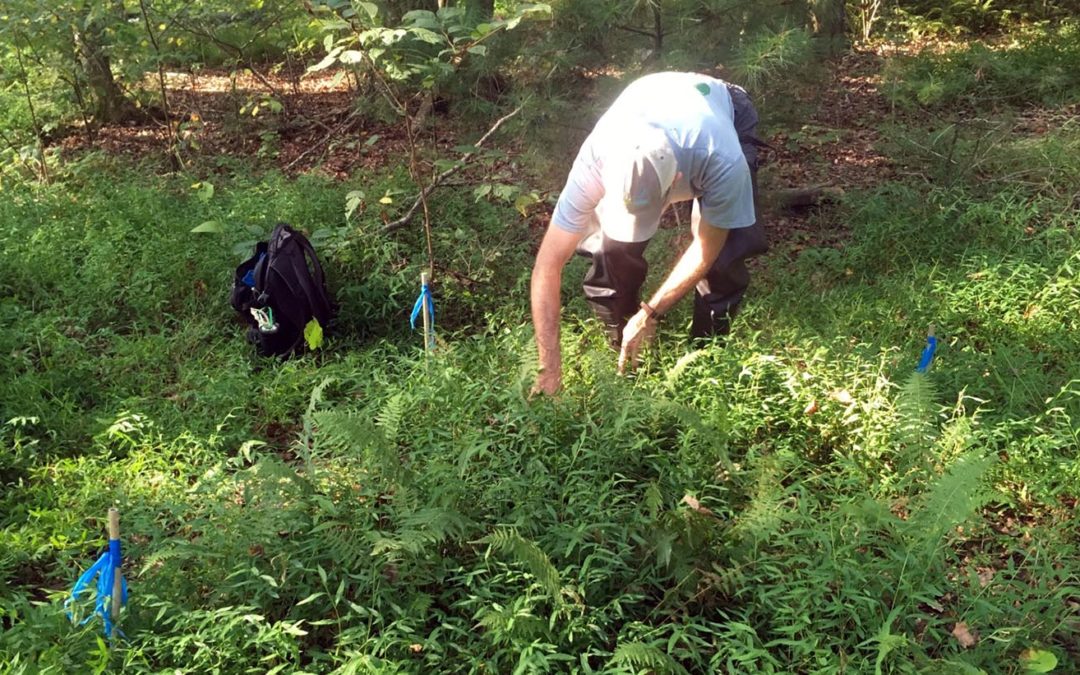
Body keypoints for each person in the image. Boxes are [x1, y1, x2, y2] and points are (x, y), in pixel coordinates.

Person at [530, 71, 767, 395]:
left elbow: (705, 248)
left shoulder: (723, 160)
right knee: (610, 253)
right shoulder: (596, 160)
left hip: (722, 108)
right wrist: (549, 367)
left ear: (678, 182)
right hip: (651, 99)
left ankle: (701, 370)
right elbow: (547, 265)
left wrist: (650, 311)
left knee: (724, 261)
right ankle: (625, 361)